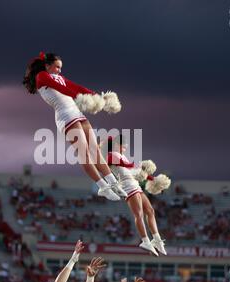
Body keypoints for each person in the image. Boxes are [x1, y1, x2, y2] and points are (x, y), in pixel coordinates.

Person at [23, 52, 126, 201]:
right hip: (65, 117)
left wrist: (98, 97)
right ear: (47, 66)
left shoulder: (60, 77)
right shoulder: (42, 77)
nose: (59, 70)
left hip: (76, 112)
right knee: (84, 153)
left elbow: (77, 87)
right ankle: (103, 186)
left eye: (61, 67)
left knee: (94, 150)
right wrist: (79, 97)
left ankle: (113, 182)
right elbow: (63, 89)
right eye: (57, 67)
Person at [106, 135, 170, 256]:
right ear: (116, 145)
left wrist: (152, 178)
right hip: (128, 188)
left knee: (150, 211)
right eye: (122, 145)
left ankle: (157, 240)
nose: (124, 148)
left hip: (135, 185)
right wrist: (140, 166)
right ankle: (145, 240)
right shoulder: (111, 155)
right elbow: (127, 165)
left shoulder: (121, 155)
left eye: (125, 146)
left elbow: (134, 172)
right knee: (139, 214)